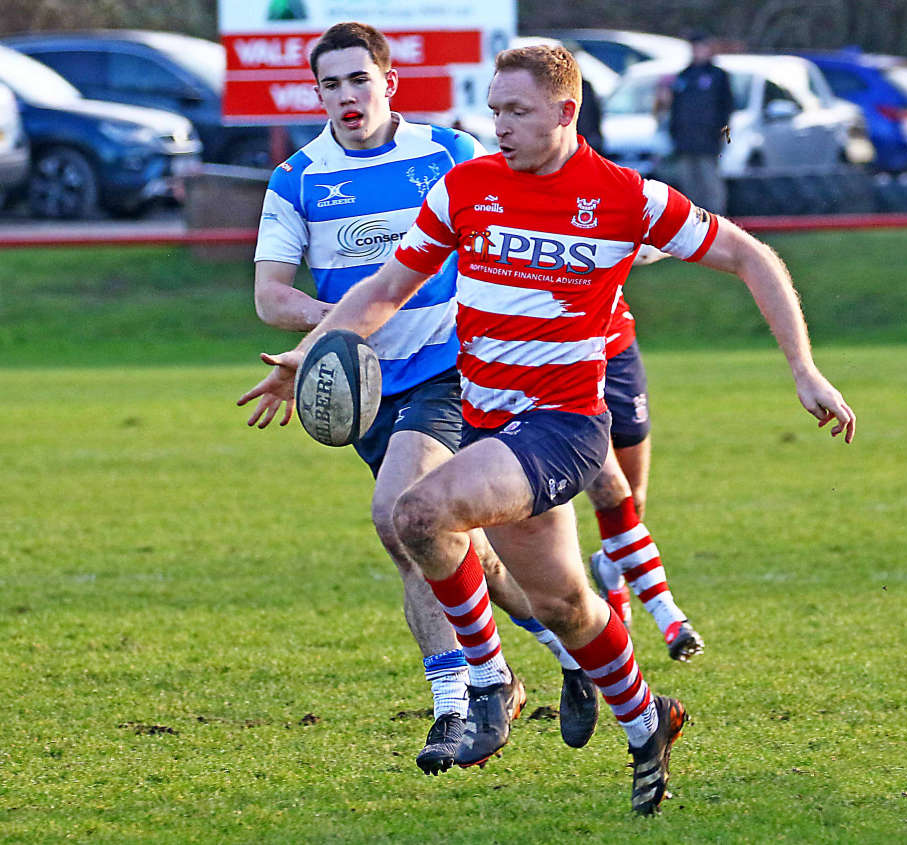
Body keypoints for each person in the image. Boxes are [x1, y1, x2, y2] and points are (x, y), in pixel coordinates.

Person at [240, 44, 855, 815]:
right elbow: (386, 287)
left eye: (517, 111)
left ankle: (488, 684)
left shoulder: (625, 197)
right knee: (567, 606)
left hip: (562, 426)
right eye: (494, 110)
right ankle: (649, 720)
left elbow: (750, 255)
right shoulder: (466, 188)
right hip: (490, 425)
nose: (500, 126)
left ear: (566, 112)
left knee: (417, 515)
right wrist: (311, 351)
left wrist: (804, 368)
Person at [244, 22, 596, 777]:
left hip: (453, 373)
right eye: (330, 84)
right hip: (368, 386)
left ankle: (461, 701)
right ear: (317, 94)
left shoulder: (448, 153)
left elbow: (526, 217)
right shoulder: (297, 178)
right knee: (446, 545)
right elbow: (271, 295)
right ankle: (570, 648)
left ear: (389, 82)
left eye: (358, 79)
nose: (346, 95)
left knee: (394, 515)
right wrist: (334, 330)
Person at [583, 251, 704, 660]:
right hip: (561, 358)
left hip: (616, 349)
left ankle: (610, 567)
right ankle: (670, 617)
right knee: (610, 489)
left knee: (632, 500)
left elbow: (649, 238)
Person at [664, 30, 733, 215]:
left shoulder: (718, 76)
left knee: (710, 183)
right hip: (685, 140)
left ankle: (717, 219)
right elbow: (675, 108)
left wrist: (722, 134)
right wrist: (674, 132)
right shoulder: (684, 75)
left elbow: (726, 109)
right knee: (688, 183)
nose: (697, 51)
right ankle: (694, 220)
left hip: (708, 140)